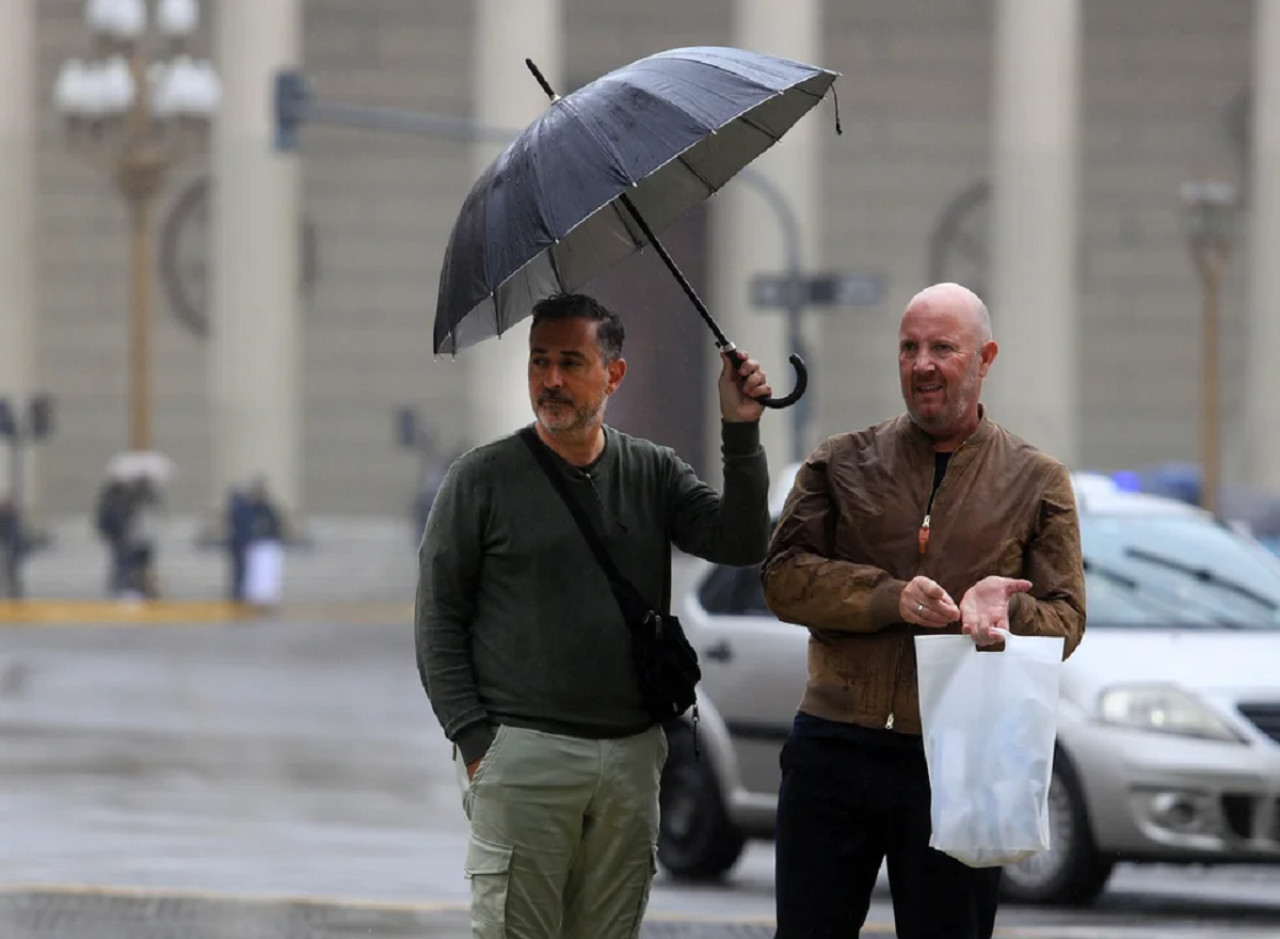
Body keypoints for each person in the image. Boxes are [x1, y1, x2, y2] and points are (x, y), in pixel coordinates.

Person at [416, 292, 773, 939]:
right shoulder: (481, 480)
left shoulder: (652, 471)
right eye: (539, 362)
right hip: (522, 757)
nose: (550, 380)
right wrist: (476, 745)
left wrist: (741, 427)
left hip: (630, 762)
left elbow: (741, 542)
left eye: (571, 362)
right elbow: (438, 621)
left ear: (613, 373)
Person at [761, 282, 1086, 939]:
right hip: (835, 743)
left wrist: (1004, 613)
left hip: (961, 751)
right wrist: (889, 596)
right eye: (909, 348)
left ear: (985, 356)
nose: (922, 364)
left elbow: (1067, 618)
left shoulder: (1037, 477)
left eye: (943, 347)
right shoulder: (840, 459)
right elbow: (783, 578)